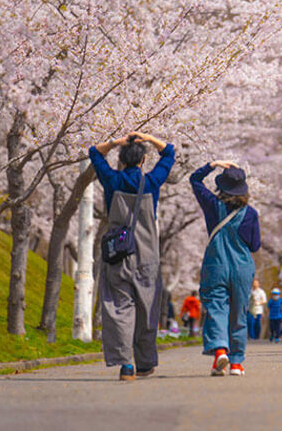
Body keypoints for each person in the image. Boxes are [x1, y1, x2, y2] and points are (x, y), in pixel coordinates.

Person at [90, 130, 175, 380]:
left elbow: (94, 152)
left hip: (118, 254)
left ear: (122, 160)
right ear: (143, 161)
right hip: (147, 256)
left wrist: (116, 142)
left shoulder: (111, 180)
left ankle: (126, 364)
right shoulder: (151, 182)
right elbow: (169, 153)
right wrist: (148, 138)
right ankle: (146, 363)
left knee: (119, 308)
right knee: (147, 309)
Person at [191, 160, 261, 376]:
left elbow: (194, 179)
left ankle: (220, 349)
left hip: (216, 263)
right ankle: (237, 363)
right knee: (238, 313)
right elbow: (255, 245)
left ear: (222, 187)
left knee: (216, 309)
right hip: (242, 267)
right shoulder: (251, 214)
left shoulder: (213, 204)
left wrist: (212, 165)